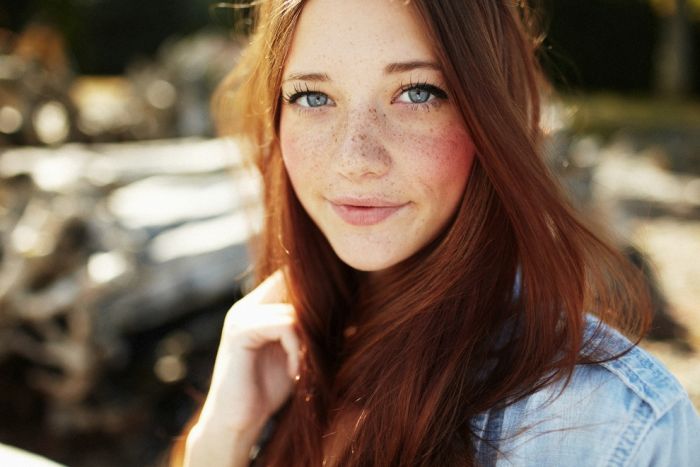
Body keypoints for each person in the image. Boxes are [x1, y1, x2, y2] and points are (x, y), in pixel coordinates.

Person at [176, 0, 700, 465]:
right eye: (313, 97)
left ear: (493, 113)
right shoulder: (270, 363)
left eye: (417, 92)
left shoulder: (614, 430)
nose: (355, 159)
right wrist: (221, 441)